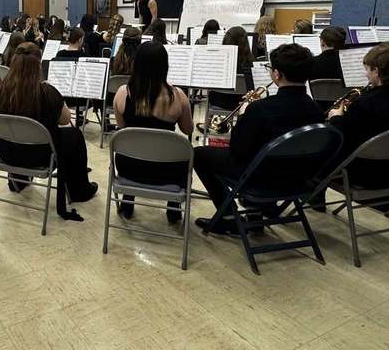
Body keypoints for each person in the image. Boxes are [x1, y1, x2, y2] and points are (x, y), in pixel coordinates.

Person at [193, 44, 324, 234]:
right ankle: (260, 209)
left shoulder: (260, 109)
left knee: (199, 154)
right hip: (298, 179)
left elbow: (238, 149)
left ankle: (228, 216)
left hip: (260, 179)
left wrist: (245, 114)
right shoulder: (317, 111)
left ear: (277, 74)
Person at [0, 42, 97, 220]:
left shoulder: (0, 91)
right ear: (38, 66)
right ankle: (79, 190)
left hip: (8, 152)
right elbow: (65, 119)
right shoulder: (46, 92)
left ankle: (18, 178)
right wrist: (54, 92)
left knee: (23, 136)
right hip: (41, 156)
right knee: (75, 135)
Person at [327, 43, 389, 204]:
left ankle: (315, 196)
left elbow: (345, 140)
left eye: (367, 69)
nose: (366, 75)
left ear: (377, 71)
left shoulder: (365, 103)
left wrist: (336, 118)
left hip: (358, 174)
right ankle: (380, 200)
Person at [113, 42, 193, 222]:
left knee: (133, 146)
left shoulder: (121, 94)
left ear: (137, 63)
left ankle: (128, 200)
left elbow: (122, 130)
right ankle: (173, 207)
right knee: (185, 154)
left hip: (129, 167)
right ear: (165, 66)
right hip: (167, 170)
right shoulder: (178, 97)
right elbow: (188, 130)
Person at [208, 26, 254, 111]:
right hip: (242, 102)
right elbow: (251, 88)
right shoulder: (250, 64)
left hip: (219, 101)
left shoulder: (218, 62)